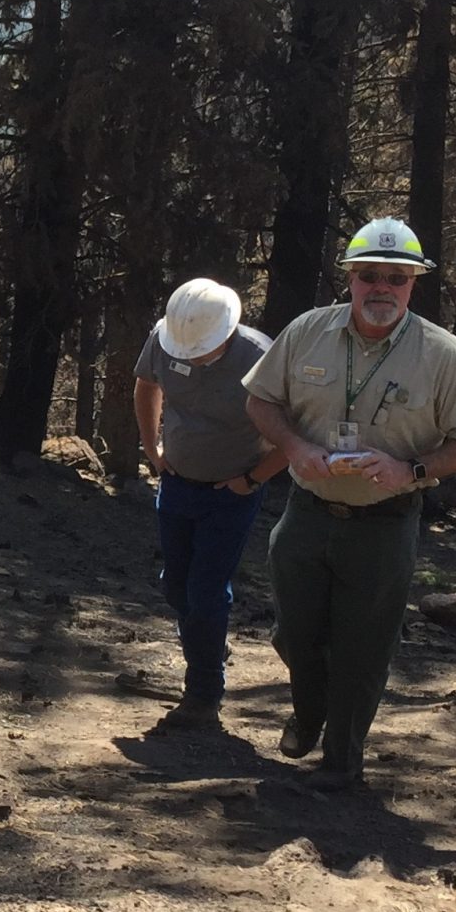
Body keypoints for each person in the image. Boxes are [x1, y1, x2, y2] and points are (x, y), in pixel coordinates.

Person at [244, 218, 456, 788]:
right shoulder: (306, 331)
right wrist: (294, 446)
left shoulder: (443, 354)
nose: (381, 288)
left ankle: (342, 758)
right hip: (307, 515)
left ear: (413, 283)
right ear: (350, 280)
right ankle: (309, 712)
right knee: (293, 634)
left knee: (364, 648)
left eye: (396, 278)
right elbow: (261, 400)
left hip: (386, 525)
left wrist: (409, 469)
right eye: (368, 276)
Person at [131, 277, 286, 730]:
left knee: (206, 590)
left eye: (199, 352)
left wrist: (254, 479)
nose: (190, 358)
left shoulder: (261, 358)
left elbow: (296, 431)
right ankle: (209, 644)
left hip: (231, 493)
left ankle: (203, 692)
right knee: (176, 586)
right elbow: (146, 386)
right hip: (177, 482)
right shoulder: (165, 339)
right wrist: (152, 449)